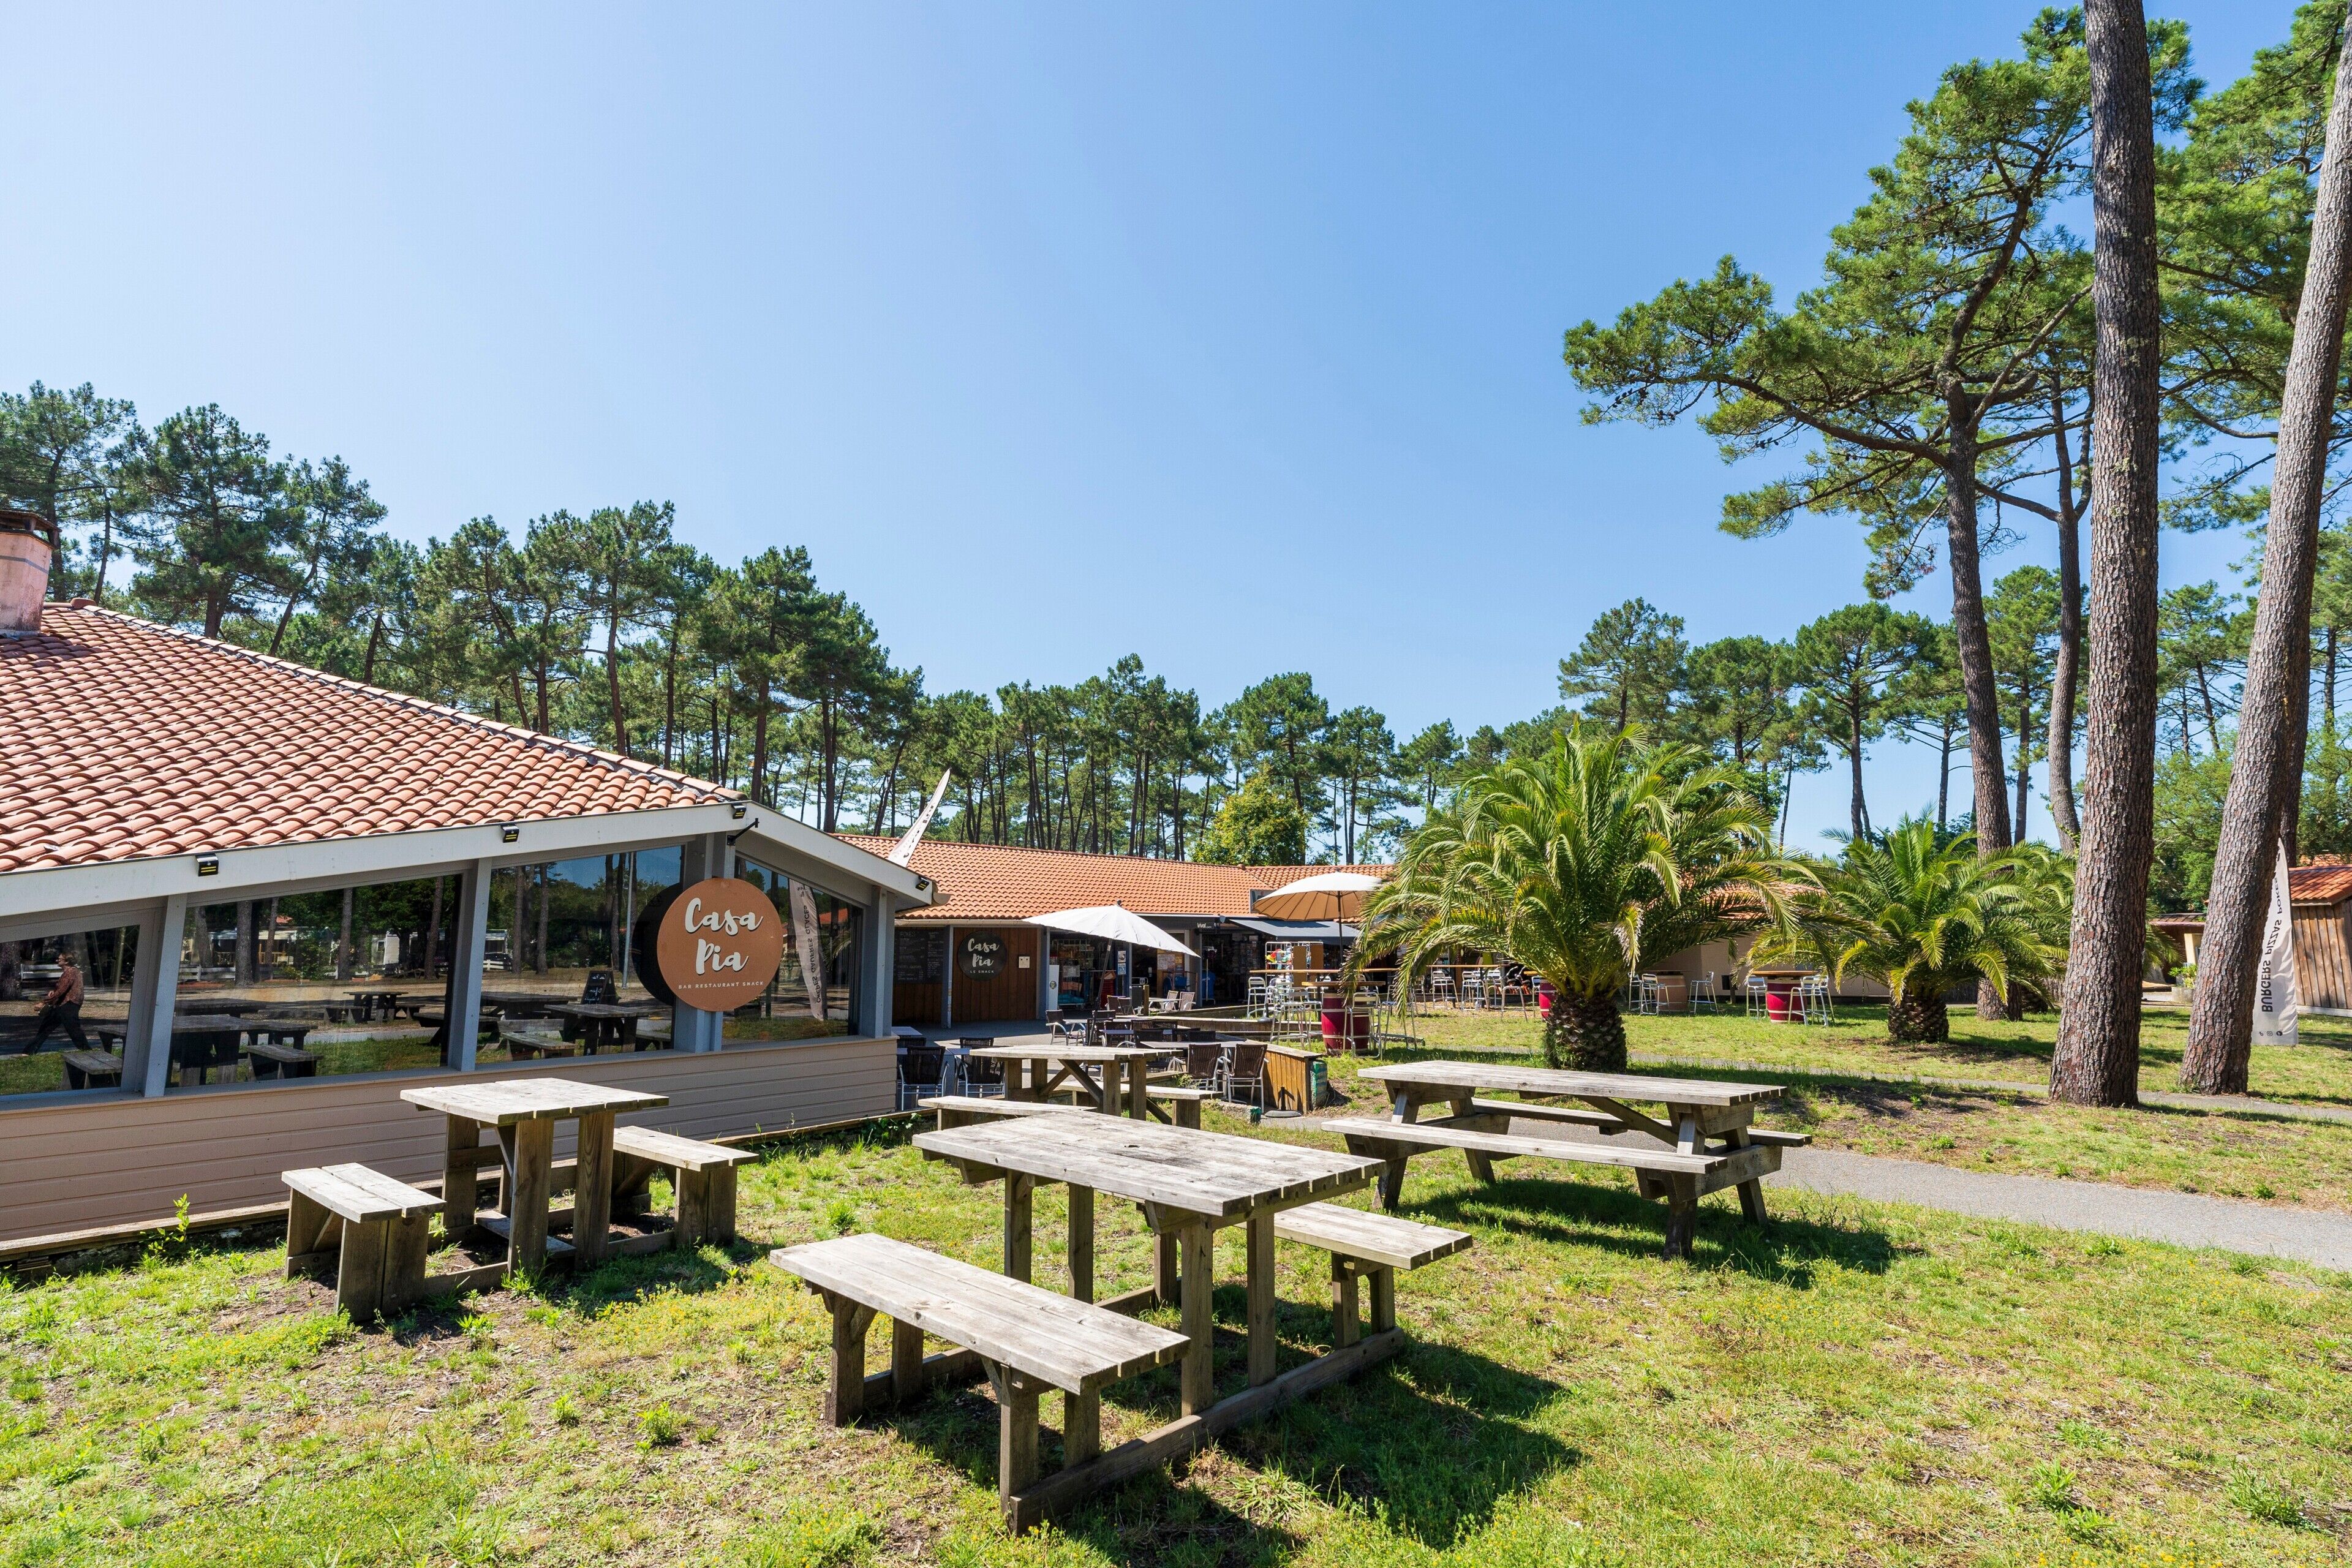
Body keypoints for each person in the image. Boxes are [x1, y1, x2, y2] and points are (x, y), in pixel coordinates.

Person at [29, 951, 89, 1052]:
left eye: (59, 959)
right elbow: (62, 990)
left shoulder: (71, 972)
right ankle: (28, 1052)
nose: (57, 960)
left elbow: (61, 991)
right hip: (63, 1005)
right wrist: (54, 993)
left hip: (69, 1005)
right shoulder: (70, 972)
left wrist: (44, 1002)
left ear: (66, 962)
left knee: (74, 1031)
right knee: (46, 1028)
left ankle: (88, 1051)